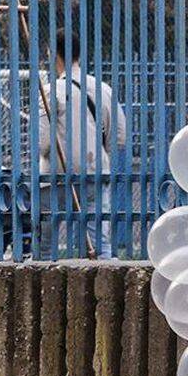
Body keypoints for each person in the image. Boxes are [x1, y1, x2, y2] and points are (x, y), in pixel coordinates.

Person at [34, 27, 128, 258]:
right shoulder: (102, 89)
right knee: (99, 245)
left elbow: (42, 143)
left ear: (52, 54)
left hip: (54, 177)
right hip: (94, 172)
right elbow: (119, 136)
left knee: (45, 248)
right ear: (78, 54)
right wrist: (96, 152)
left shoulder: (50, 92)